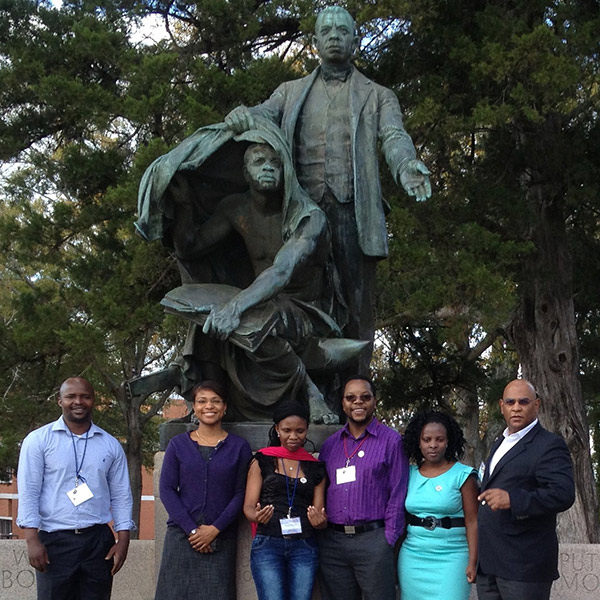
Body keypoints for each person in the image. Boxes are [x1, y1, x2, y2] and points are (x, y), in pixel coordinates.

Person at [225, 6, 431, 372]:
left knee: (355, 305)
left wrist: (406, 165)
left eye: (342, 29)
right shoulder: (290, 92)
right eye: (327, 30)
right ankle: (302, 390)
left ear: (355, 39)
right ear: (316, 40)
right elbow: (260, 115)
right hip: (300, 214)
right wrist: (242, 113)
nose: (334, 35)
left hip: (354, 213)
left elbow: (394, 136)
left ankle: (357, 391)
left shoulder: (379, 95)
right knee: (299, 297)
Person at [134, 121, 365, 422]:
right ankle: (201, 389)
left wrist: (235, 306)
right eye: (259, 161)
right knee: (207, 314)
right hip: (257, 302)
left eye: (275, 162)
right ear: (245, 173)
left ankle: (310, 393)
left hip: (306, 313)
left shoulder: (309, 217)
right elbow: (191, 248)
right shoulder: (236, 208)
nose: (268, 167)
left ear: (286, 173)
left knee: (263, 313)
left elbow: (281, 272)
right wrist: (185, 205)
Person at [16, 377, 135, 600]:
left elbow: (121, 495)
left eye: (85, 396)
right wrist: (32, 539)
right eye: (71, 396)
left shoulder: (110, 444)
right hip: (54, 541)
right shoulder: (38, 441)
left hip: (98, 542)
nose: (78, 401)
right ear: (59, 400)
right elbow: (30, 490)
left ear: (93, 401)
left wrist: (124, 540)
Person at [477, 379, 575, 600]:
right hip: (490, 563)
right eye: (510, 402)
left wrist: (513, 499)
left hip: (524, 565)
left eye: (524, 402)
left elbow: (563, 494)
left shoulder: (549, 445)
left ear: (537, 405)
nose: (516, 408)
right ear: (501, 406)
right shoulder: (499, 442)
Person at [155, 381, 252, 600]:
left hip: (220, 539)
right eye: (202, 401)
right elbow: (167, 490)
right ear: (194, 407)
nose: (209, 406)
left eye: (216, 401)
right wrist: (193, 530)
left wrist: (214, 530)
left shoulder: (239, 447)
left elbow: (240, 493)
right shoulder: (178, 444)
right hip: (182, 538)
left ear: (225, 407)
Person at [317, 375, 408, 600]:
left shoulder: (392, 441)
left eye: (365, 397)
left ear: (374, 402)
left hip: (373, 540)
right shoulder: (331, 445)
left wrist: (389, 538)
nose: (358, 402)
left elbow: (398, 491)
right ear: (343, 403)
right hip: (334, 544)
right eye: (351, 398)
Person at [244, 401, 327, 600]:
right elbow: (248, 505)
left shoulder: (315, 468)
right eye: (287, 430)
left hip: (304, 545)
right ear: (277, 430)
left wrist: (321, 521)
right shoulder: (262, 460)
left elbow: (320, 511)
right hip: (268, 544)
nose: (293, 436)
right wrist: (255, 515)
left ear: (307, 430)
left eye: (300, 431)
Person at [397, 411, 478, 600]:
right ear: (418, 442)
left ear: (448, 441)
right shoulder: (408, 473)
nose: (433, 445)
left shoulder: (464, 475)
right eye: (427, 439)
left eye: (439, 439)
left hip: (453, 557)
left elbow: (473, 521)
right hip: (413, 557)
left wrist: (473, 562)